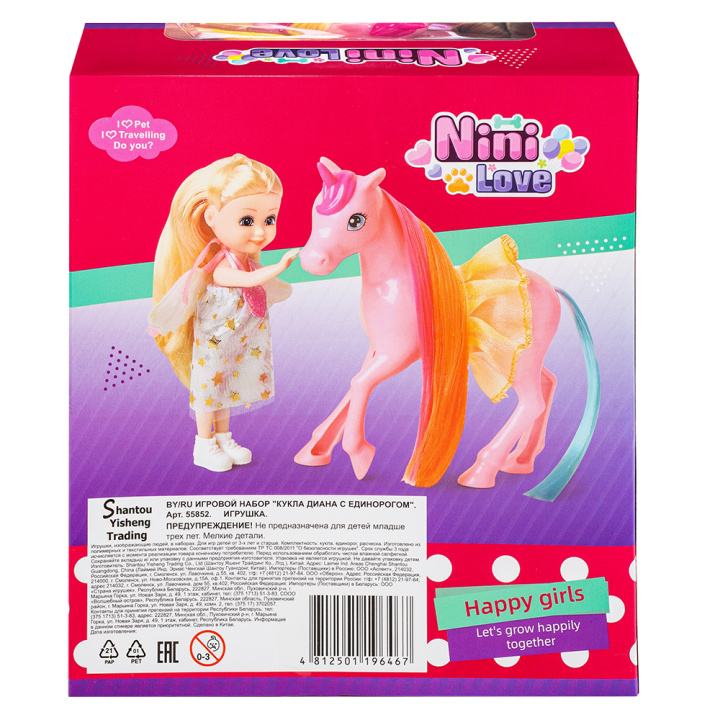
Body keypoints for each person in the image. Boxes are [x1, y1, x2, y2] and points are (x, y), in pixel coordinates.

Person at [149, 154, 297, 471]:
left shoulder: (247, 262)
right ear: (211, 218)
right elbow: (246, 281)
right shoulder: (219, 267)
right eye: (247, 221)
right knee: (210, 386)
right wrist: (280, 266)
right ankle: (204, 443)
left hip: (239, 340)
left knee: (228, 385)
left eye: (270, 219)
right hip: (215, 341)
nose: (261, 232)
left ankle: (223, 437)